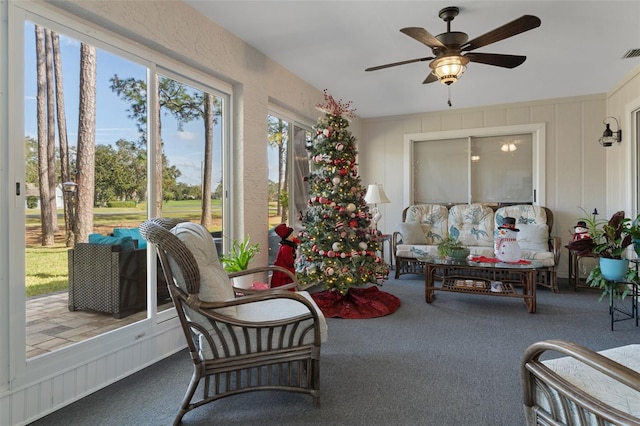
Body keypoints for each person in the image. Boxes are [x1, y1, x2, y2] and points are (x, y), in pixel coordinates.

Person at [271, 223, 300, 288]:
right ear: (286, 237)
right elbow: (289, 261)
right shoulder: (286, 248)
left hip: (285, 271)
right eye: (291, 235)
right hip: (284, 273)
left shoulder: (287, 246)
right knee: (285, 287)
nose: (293, 237)